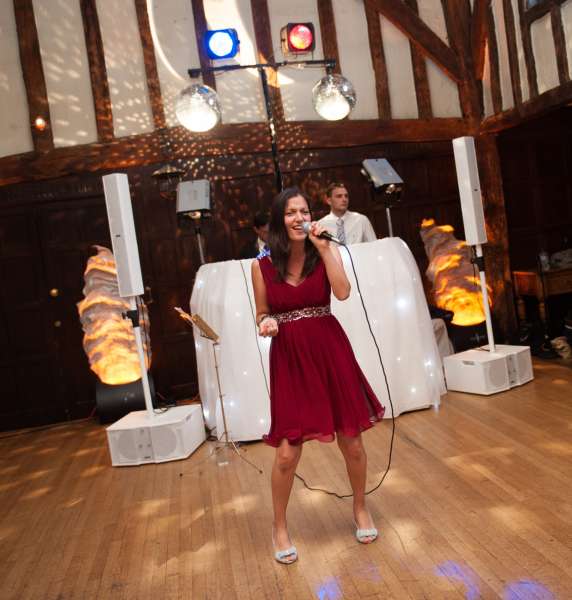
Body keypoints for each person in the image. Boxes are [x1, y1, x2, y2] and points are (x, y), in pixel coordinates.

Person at [251, 187, 385, 565]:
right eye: (290, 212)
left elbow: (342, 293)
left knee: (352, 442)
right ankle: (279, 527)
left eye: (304, 211)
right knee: (286, 454)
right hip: (290, 358)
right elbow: (261, 312)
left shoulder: (324, 251)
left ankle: (360, 508)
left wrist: (326, 249)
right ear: (279, 220)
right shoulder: (261, 266)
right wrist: (266, 323)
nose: (299, 218)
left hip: (330, 352)